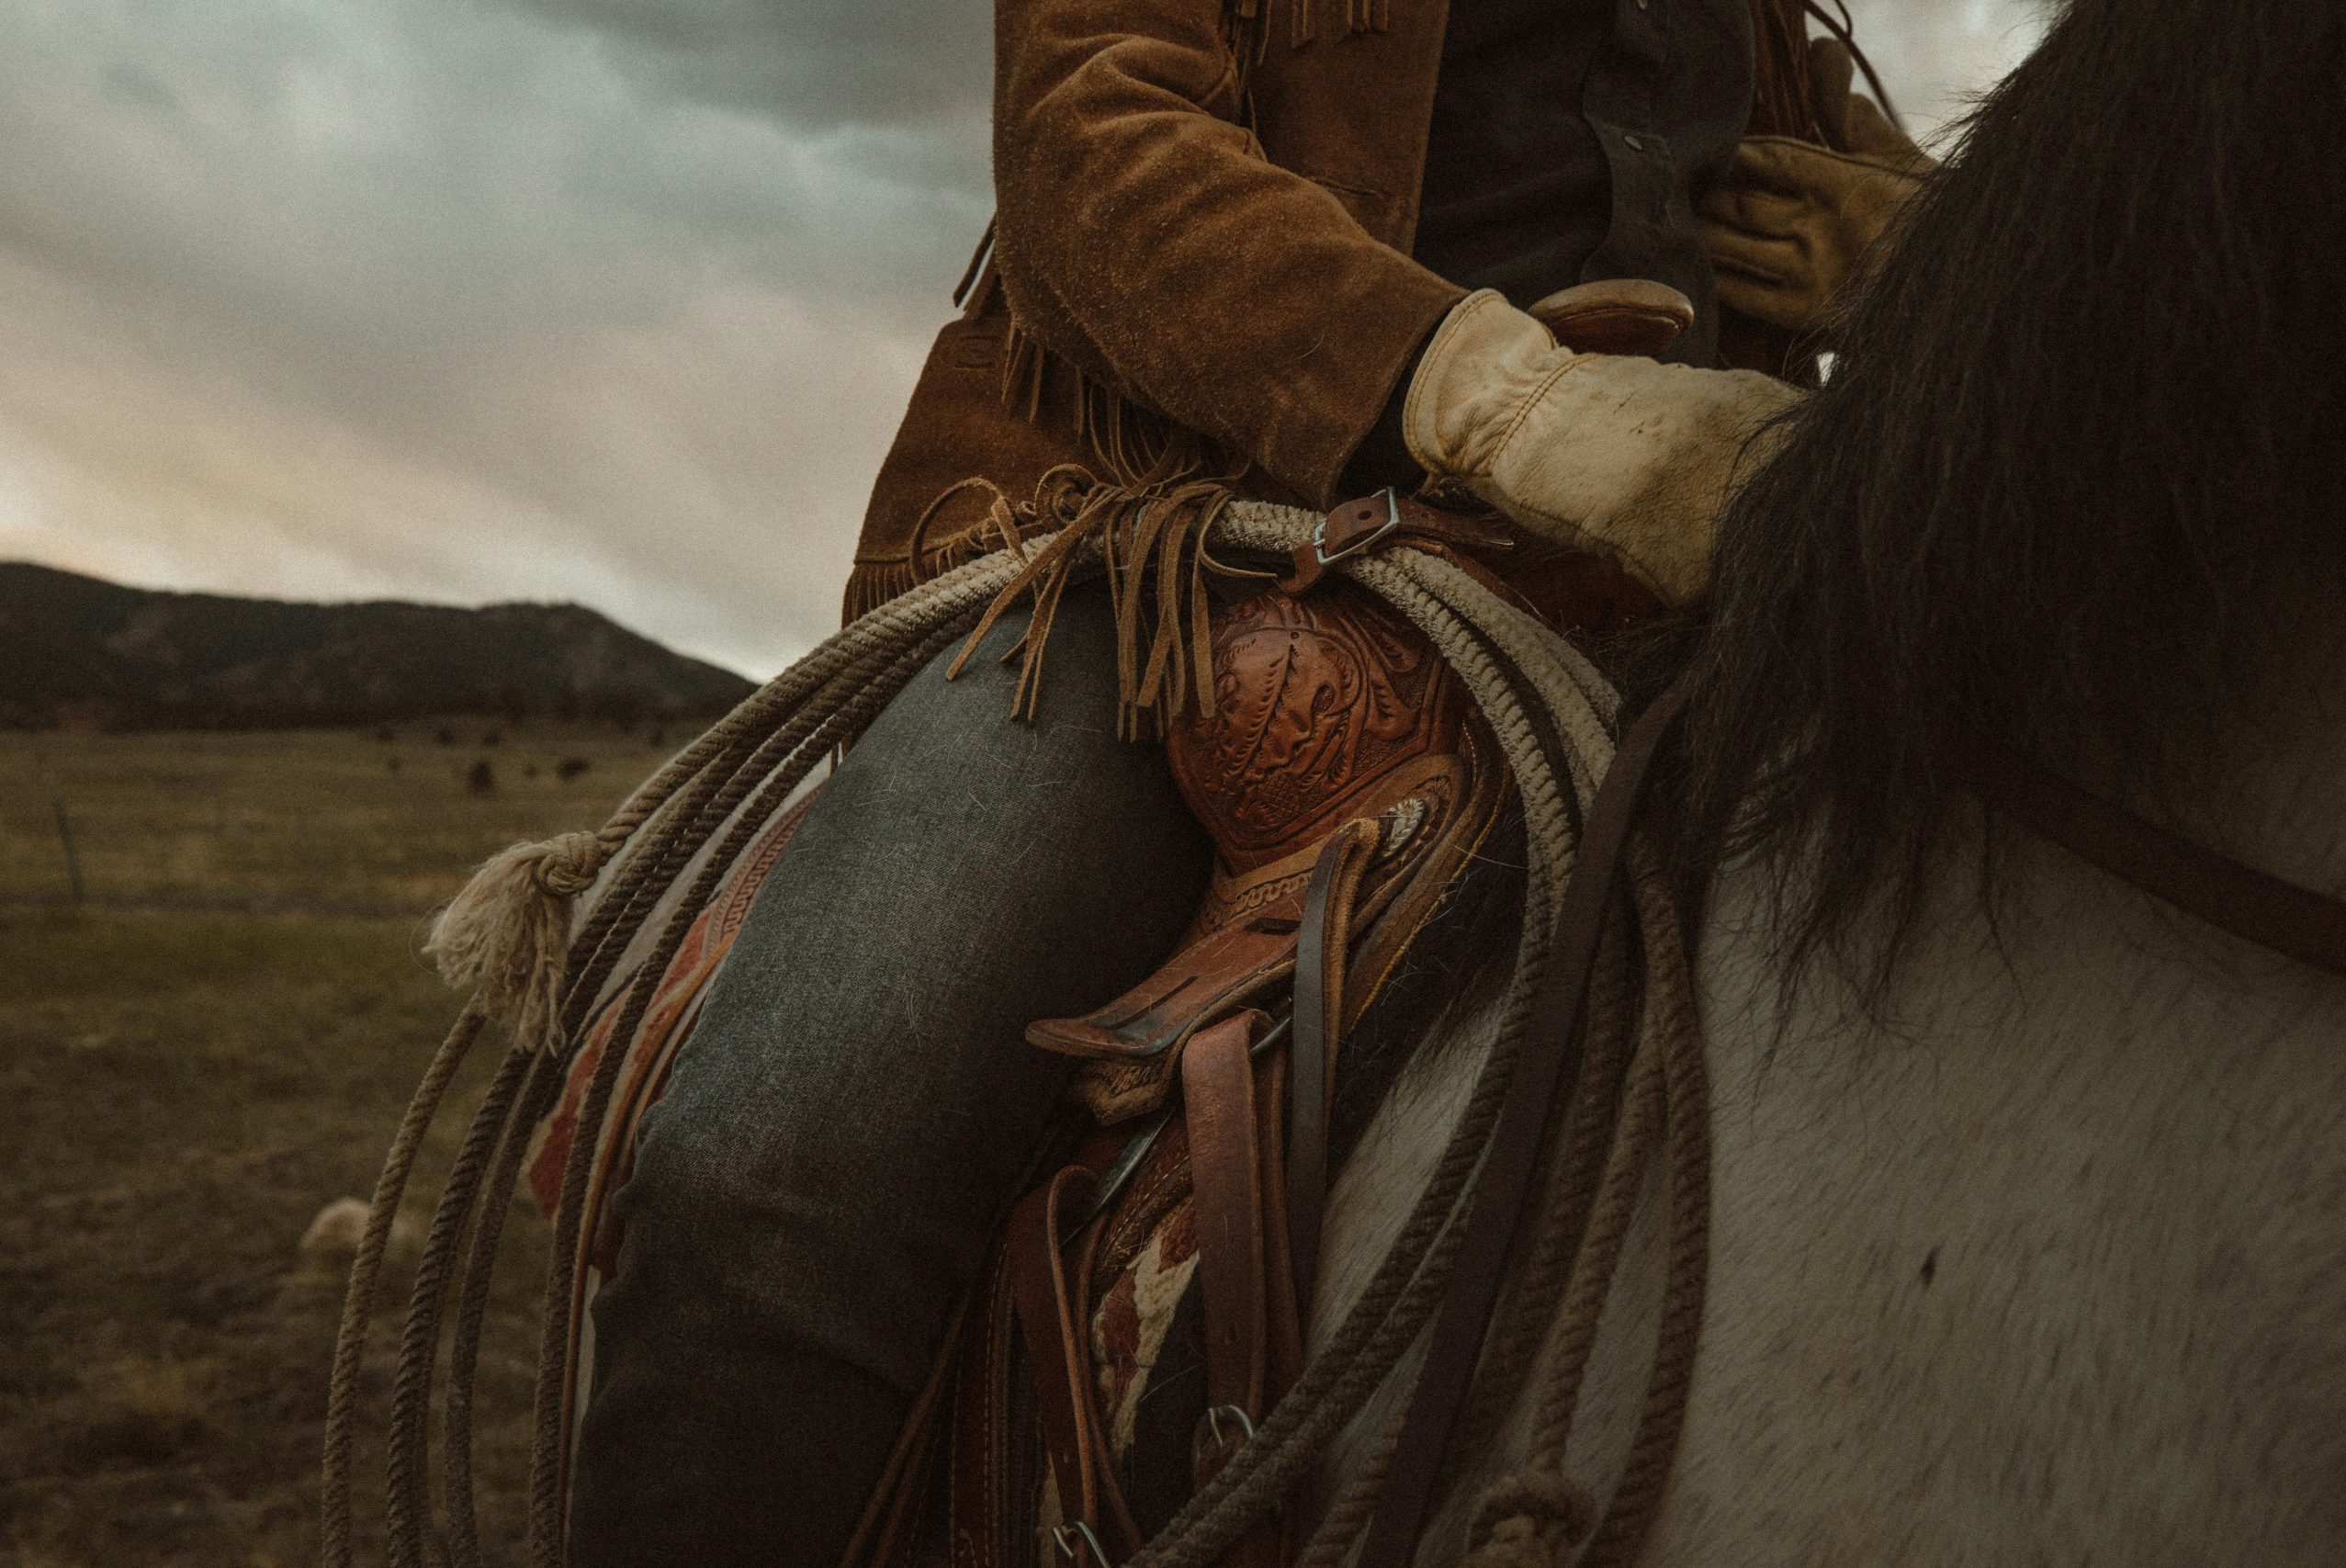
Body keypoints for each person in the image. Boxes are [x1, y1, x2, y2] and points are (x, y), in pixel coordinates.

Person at [568, 3, 1927, 1562]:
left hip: (1697, 580)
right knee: (775, 1177)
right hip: (1175, 552)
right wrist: (1509, 405)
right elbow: (1094, 143)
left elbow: (1840, 166)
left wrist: (1927, 258)